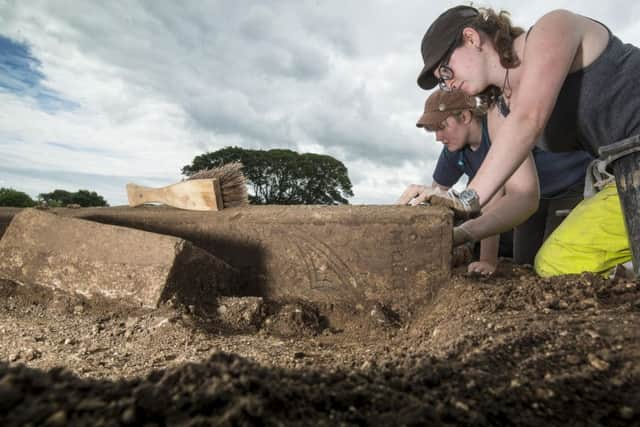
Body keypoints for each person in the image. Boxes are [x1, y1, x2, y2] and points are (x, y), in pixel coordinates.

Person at [413, 5, 638, 277]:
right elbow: (523, 197)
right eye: (442, 83)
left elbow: (529, 118)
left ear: (471, 38)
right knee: (557, 263)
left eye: (446, 72)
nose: (449, 85)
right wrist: (460, 234)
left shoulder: (552, 29)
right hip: (626, 177)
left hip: (633, 166)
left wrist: (465, 199)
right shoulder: (499, 111)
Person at [398, 89, 591, 274]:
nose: (438, 138)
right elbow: (436, 193)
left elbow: (493, 202)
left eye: (441, 127)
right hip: (525, 201)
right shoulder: (453, 152)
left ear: (465, 117)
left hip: (568, 185)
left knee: (555, 262)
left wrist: (487, 260)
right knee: (524, 261)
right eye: (433, 131)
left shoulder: (497, 130)